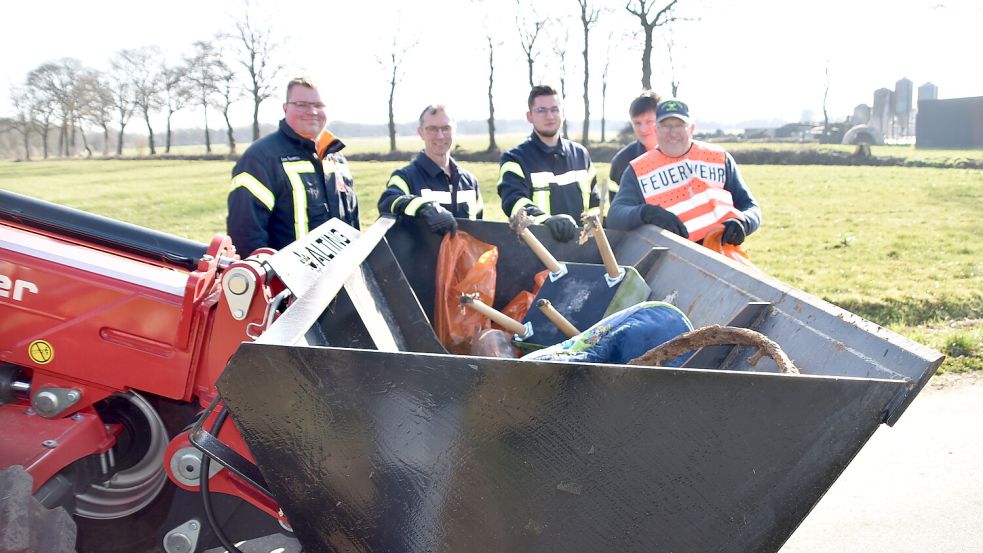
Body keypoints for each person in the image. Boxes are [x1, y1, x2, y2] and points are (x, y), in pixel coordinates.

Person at [227, 76, 359, 255]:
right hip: (286, 273)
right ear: (285, 108)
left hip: (341, 270)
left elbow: (352, 222)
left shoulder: (335, 157)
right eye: (301, 104)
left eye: (318, 105)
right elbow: (246, 235)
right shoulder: (260, 158)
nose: (312, 111)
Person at [607, 99, 761, 245]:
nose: (672, 132)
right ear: (656, 130)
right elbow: (615, 216)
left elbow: (750, 206)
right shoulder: (638, 170)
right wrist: (646, 213)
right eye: (665, 126)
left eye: (679, 125)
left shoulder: (719, 158)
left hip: (721, 254)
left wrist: (742, 223)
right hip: (671, 256)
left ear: (692, 129)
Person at [497, 85, 599, 242]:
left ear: (563, 113)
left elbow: (594, 203)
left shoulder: (580, 155)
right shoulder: (514, 158)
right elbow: (514, 201)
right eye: (541, 110)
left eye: (554, 109)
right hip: (537, 248)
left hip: (582, 248)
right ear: (530, 116)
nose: (549, 116)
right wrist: (545, 220)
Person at [378, 104, 482, 236]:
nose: (440, 136)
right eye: (432, 129)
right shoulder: (405, 177)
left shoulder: (470, 182)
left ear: (454, 130)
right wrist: (425, 207)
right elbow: (388, 202)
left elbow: (481, 230)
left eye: (446, 128)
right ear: (421, 132)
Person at [608, 90, 662, 196]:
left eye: (649, 121)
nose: (643, 129)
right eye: (637, 123)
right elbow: (616, 204)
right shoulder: (621, 162)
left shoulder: (682, 154)